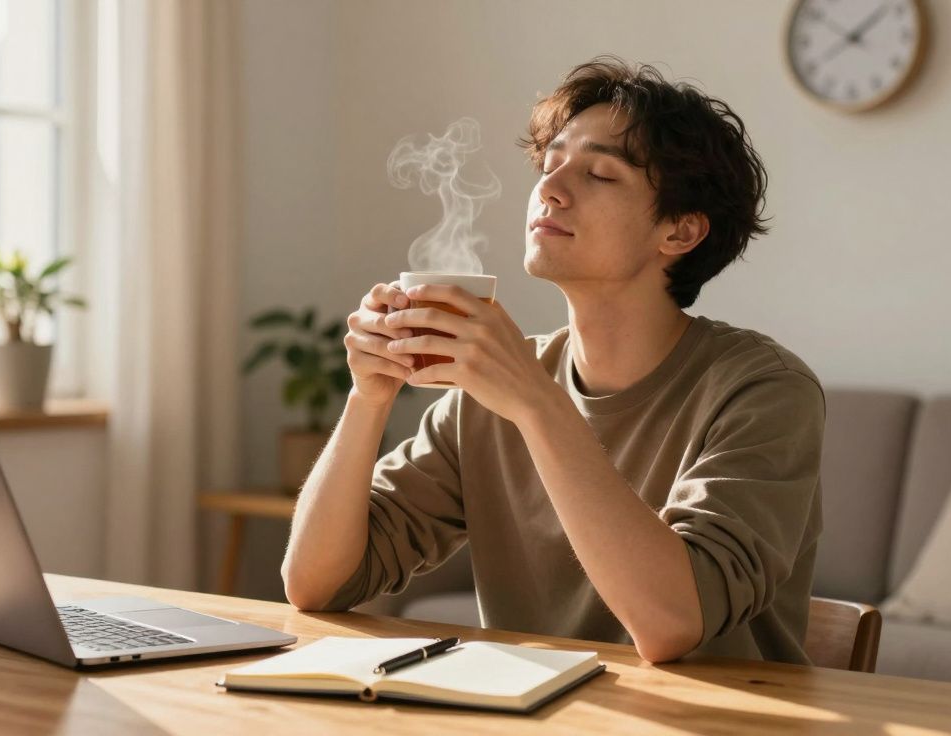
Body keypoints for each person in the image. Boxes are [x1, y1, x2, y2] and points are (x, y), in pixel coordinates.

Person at [280, 56, 824, 665]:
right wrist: (368, 398)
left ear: (680, 232)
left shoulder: (764, 390)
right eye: (550, 163)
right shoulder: (488, 392)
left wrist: (536, 402)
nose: (550, 187)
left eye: (599, 174)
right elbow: (315, 584)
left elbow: (673, 621)